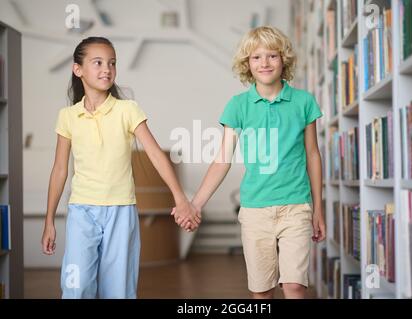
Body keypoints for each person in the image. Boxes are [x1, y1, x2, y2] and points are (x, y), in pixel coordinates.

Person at [41, 36, 200, 299]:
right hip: (81, 211)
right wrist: (49, 220)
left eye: (112, 63)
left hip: (121, 211)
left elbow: (156, 154)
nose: (107, 69)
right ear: (77, 69)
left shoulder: (128, 110)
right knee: (76, 287)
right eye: (98, 62)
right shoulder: (67, 116)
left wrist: (180, 198)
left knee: (118, 291)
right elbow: (59, 170)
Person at [173, 26, 326, 299]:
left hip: (296, 207)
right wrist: (195, 204)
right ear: (247, 64)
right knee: (262, 290)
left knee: (294, 286)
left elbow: (313, 155)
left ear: (284, 59)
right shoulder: (238, 106)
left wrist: (318, 208)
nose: (264, 63)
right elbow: (222, 160)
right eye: (256, 57)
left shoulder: (304, 102)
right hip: (255, 210)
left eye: (272, 56)